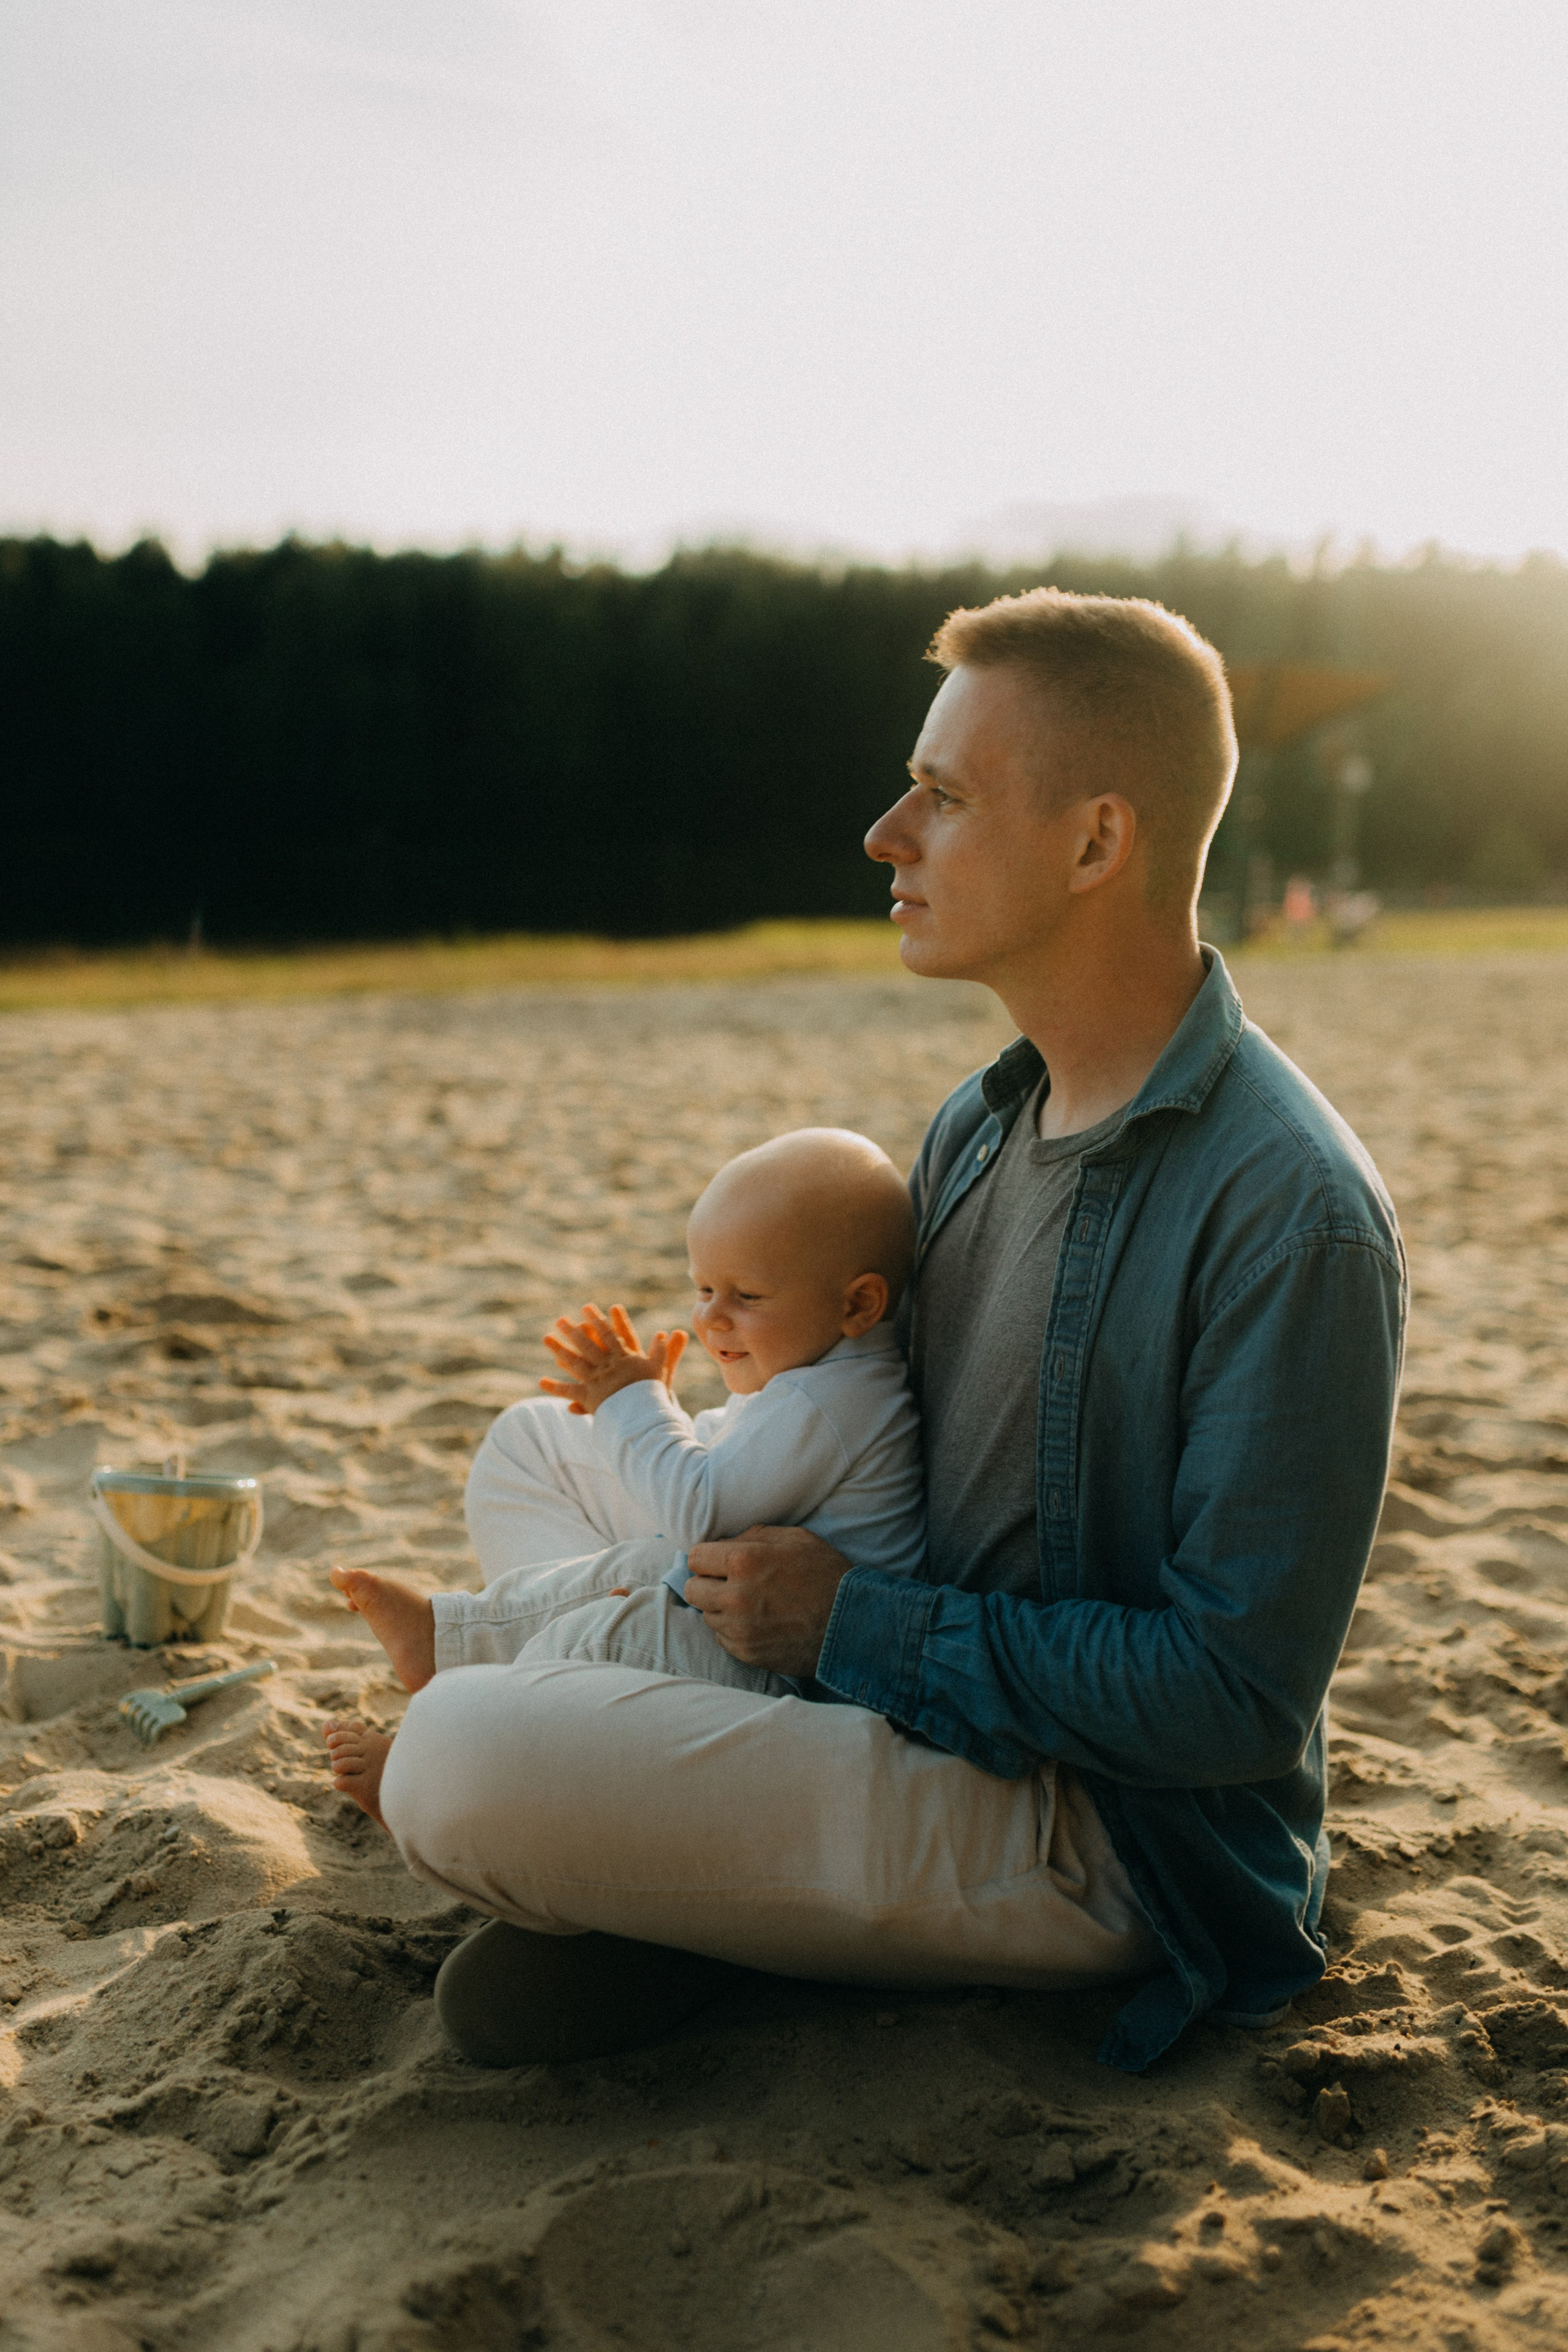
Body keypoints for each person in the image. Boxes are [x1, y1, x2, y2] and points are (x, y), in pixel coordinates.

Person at [340, 587, 1406, 2076]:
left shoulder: (1288, 1213)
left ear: (1097, 842)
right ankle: (699, 1885)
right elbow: (866, 1434)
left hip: (1081, 1820)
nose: (884, 832)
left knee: (457, 1752)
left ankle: (678, 1886)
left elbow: (1227, 1699)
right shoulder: (981, 1122)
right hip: (854, 1682)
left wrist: (845, 1619)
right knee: (537, 1453)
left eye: (944, 795)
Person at [322, 1128, 922, 1804]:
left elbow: (701, 1512)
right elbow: (730, 1473)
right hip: (730, 1624)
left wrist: (635, 1404)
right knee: (599, 1533)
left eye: (746, 1297)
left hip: (789, 1676)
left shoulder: (831, 1402)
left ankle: (426, 1771)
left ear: (857, 1305)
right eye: (702, 1289)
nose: (710, 1320)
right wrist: (645, 1416)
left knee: (599, 1630)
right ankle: (451, 1642)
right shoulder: (826, 1374)